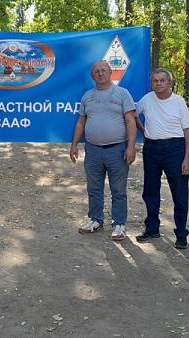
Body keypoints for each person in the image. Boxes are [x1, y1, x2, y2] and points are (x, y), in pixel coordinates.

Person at [69, 60, 137, 241]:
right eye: (96, 71)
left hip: (118, 150)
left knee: (119, 190)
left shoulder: (122, 93)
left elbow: (131, 121)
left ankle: (119, 224)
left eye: (104, 70)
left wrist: (131, 146)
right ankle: (95, 220)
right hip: (93, 150)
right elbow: (81, 122)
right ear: (92, 75)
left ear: (110, 72)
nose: (100, 73)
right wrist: (74, 144)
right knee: (94, 188)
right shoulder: (87, 96)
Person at [134, 68, 189, 249]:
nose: (158, 83)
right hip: (151, 148)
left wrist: (186, 158)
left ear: (170, 83)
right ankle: (152, 228)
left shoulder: (178, 101)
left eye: (162, 80)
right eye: (155, 81)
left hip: (175, 148)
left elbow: (188, 131)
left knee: (179, 193)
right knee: (150, 190)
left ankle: (181, 233)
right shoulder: (146, 99)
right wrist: (144, 131)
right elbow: (133, 116)